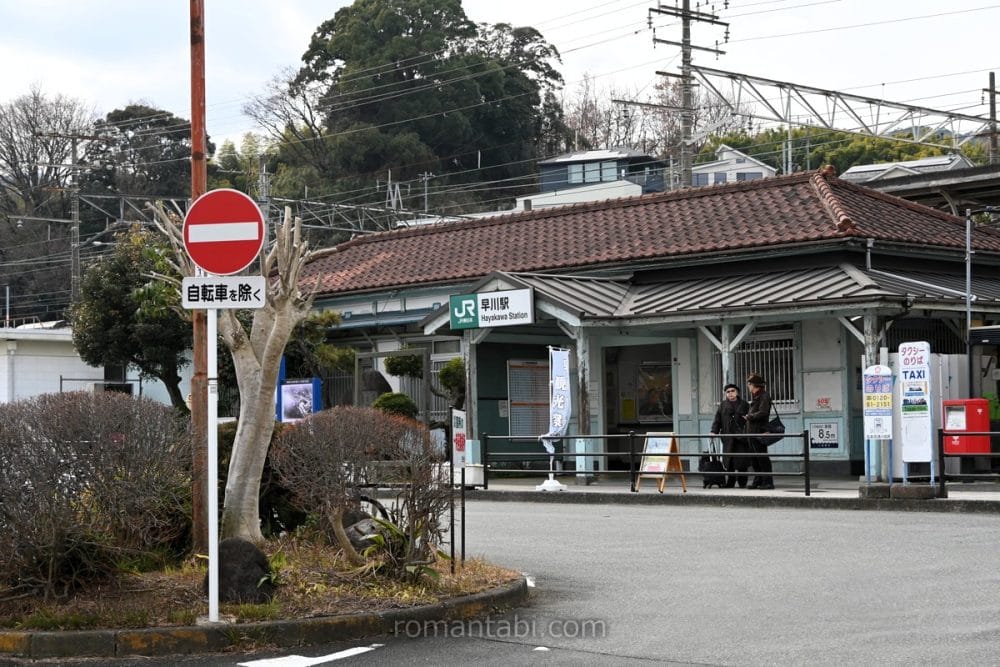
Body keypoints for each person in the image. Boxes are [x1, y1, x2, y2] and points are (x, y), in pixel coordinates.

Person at [709, 383, 750, 488]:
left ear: (737, 392)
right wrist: (714, 431)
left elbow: (750, 419)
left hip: (742, 437)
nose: (730, 393)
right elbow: (717, 420)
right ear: (725, 394)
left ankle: (742, 482)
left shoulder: (744, 404)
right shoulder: (723, 405)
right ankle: (730, 482)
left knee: (742, 460)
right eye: (728, 392)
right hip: (728, 436)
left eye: (732, 391)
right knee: (729, 460)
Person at [744, 372, 775, 490]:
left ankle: (768, 482)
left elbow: (763, 412)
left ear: (754, 385)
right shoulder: (756, 396)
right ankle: (758, 480)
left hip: (760, 430)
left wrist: (749, 416)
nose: (748, 386)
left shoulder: (764, 396)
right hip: (752, 431)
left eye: (749, 384)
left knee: (762, 457)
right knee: (754, 457)